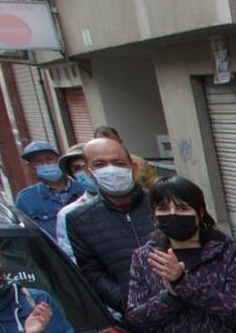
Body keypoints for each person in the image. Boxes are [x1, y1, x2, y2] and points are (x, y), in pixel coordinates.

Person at [125, 176, 236, 333]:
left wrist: (183, 283)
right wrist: (171, 296)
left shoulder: (230, 253)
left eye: (182, 208)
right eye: (163, 208)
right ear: (154, 215)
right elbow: (138, 319)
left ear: (199, 212)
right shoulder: (145, 257)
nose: (172, 214)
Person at [63, 134, 156, 315]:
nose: (111, 170)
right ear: (89, 172)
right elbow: (93, 273)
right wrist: (128, 303)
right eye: (100, 165)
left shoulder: (162, 204)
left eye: (119, 163)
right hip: (138, 320)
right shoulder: (79, 219)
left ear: (133, 168)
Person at [12, 141, 81, 242]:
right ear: (32, 167)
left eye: (50, 159)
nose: (45, 164)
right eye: (38, 161)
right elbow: (24, 236)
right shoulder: (25, 198)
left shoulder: (84, 188)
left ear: (60, 160)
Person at [92, 125, 158, 190]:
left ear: (120, 141)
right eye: (103, 144)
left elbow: (154, 185)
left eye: (112, 143)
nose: (108, 147)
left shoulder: (139, 162)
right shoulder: (91, 166)